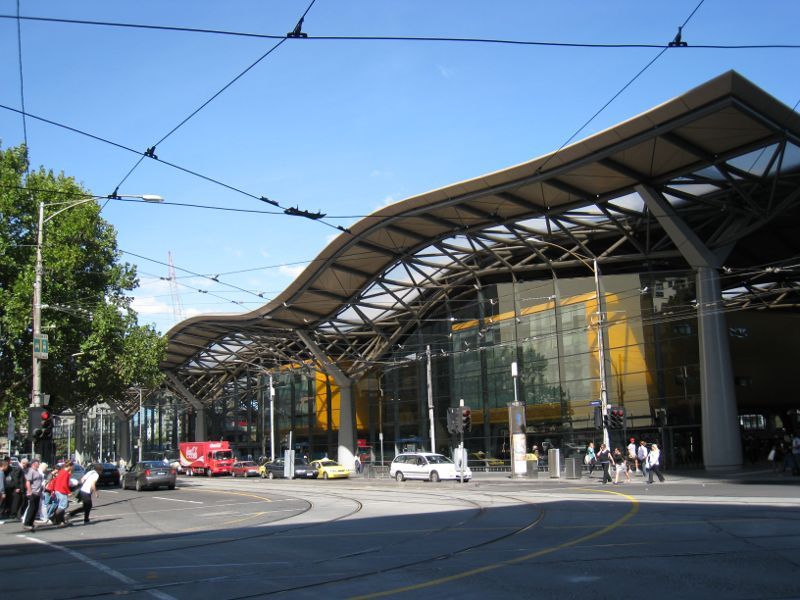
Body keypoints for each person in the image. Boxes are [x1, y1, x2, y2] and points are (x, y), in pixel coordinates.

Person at [22, 459, 44, 531]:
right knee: (31, 508)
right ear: (34, 464)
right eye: (38, 463)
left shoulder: (37, 471)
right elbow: (28, 482)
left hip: (38, 493)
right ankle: (27, 523)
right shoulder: (30, 471)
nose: (39, 464)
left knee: (35, 509)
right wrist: (30, 492)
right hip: (33, 492)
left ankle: (31, 523)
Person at [52, 461, 73, 527]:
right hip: (62, 491)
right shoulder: (65, 473)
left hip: (58, 490)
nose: (73, 468)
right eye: (72, 466)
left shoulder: (61, 471)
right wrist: (69, 492)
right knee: (62, 506)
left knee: (61, 506)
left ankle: (61, 520)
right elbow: (64, 484)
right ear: (70, 466)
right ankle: (57, 520)